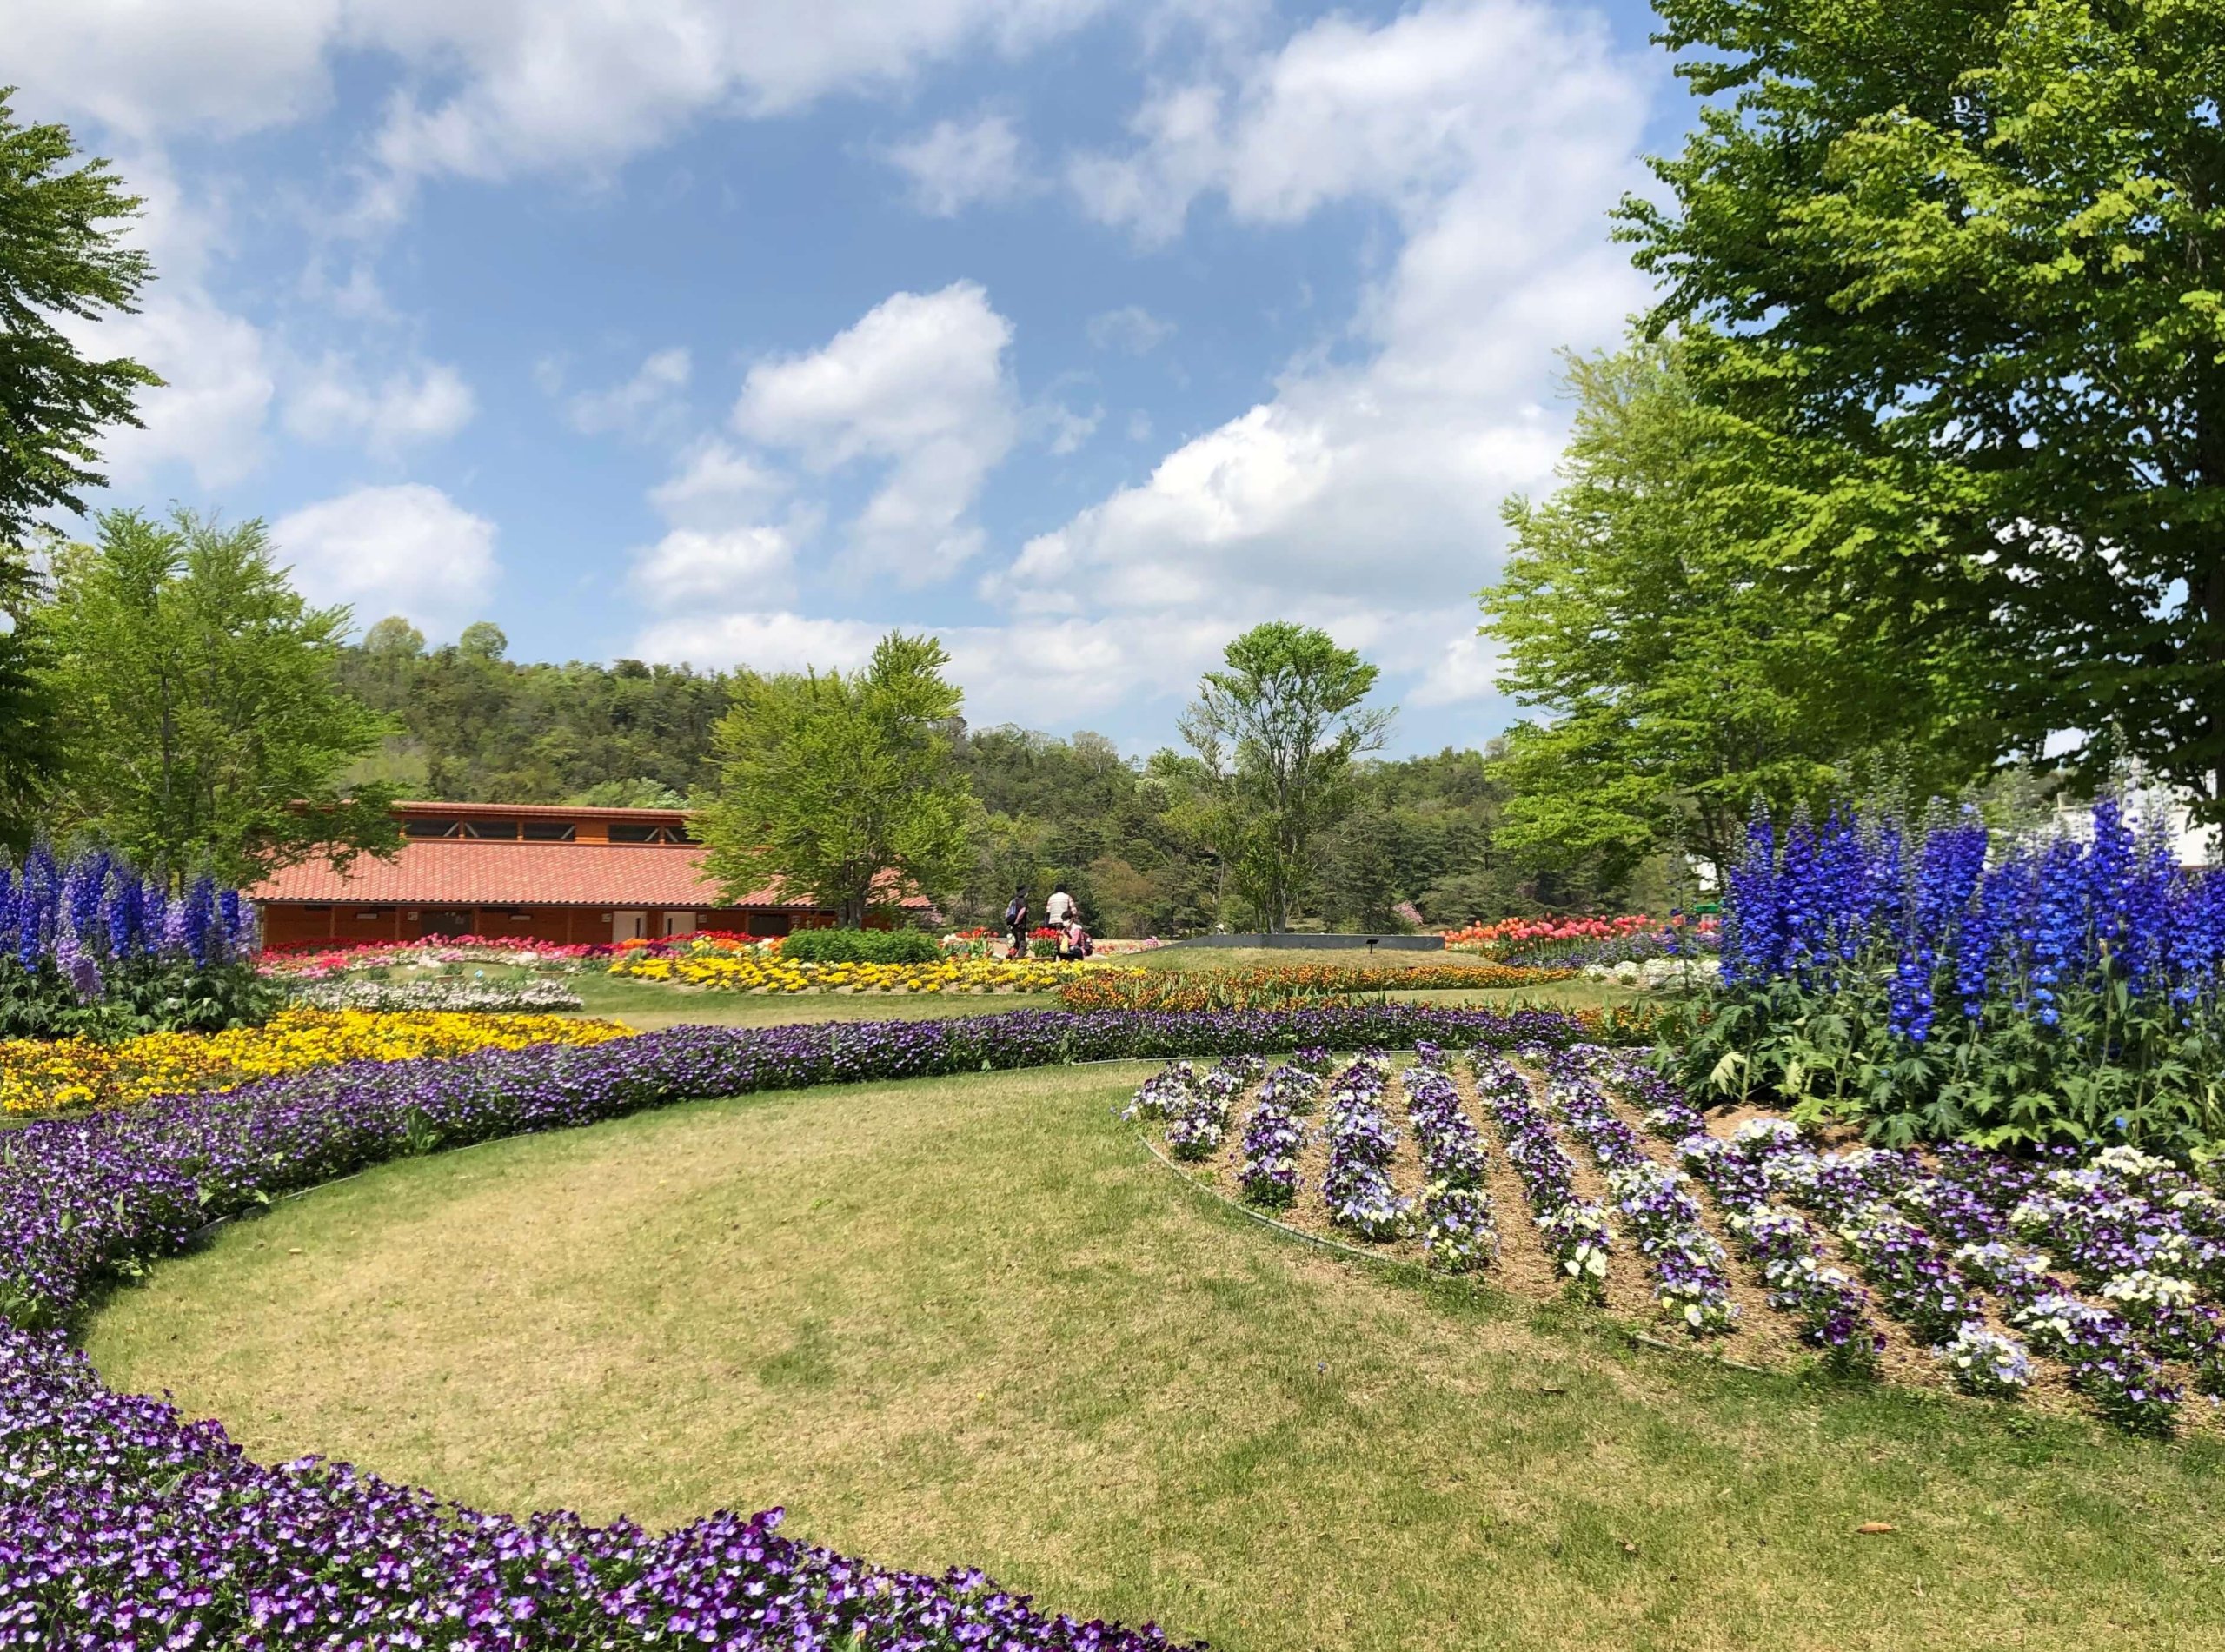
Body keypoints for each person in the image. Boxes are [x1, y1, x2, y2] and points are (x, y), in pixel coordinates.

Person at [1004, 886, 1029, 959]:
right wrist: (1017, 921)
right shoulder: (1023, 901)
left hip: (1012, 925)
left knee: (1017, 943)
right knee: (1022, 943)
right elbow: (1022, 912)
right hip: (1019, 925)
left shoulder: (1013, 901)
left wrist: (1009, 923)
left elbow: (1007, 913)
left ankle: (1010, 955)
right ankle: (1020, 959)